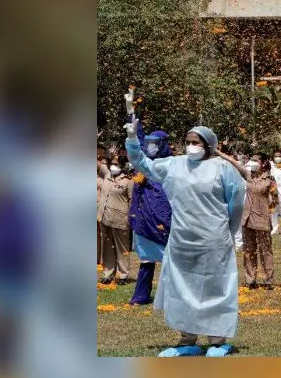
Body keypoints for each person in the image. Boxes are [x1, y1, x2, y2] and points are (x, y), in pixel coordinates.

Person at [125, 121, 245, 357]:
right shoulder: (174, 165)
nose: (191, 146)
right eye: (188, 142)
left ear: (208, 145)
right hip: (181, 239)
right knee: (181, 288)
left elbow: (237, 202)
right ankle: (187, 339)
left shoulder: (223, 168)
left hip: (214, 239)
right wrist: (132, 140)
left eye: (195, 142)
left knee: (215, 286)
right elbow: (142, 164)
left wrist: (229, 231)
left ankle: (217, 341)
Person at [122, 91, 173, 305]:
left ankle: (170, 295)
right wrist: (130, 110)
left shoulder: (171, 162)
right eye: (149, 142)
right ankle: (141, 295)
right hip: (144, 213)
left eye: (155, 143)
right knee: (146, 258)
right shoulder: (143, 157)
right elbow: (136, 136)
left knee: (170, 258)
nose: (150, 145)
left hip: (164, 213)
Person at [241, 155, 277, 289]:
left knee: (265, 250)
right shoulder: (248, 175)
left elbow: (276, 198)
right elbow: (234, 163)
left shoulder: (270, 180)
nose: (252, 162)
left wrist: (267, 211)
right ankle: (250, 280)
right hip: (247, 218)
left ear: (263, 163)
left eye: (256, 160)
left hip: (262, 220)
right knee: (249, 250)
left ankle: (269, 280)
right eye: (252, 159)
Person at [97, 155, 133, 285]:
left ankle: (123, 275)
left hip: (120, 220)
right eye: (112, 163)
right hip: (105, 218)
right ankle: (108, 274)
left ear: (122, 166)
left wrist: (130, 218)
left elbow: (132, 201)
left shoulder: (128, 181)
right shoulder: (107, 176)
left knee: (121, 249)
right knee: (107, 248)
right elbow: (98, 165)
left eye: (116, 164)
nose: (113, 166)